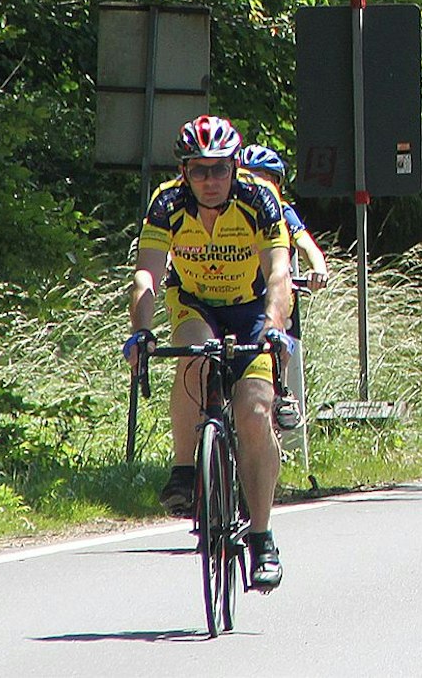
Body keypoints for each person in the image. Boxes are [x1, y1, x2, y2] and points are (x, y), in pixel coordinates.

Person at [125, 116, 295, 591]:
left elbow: (279, 273)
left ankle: (261, 537)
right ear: (184, 172)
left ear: (234, 167)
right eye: (199, 170)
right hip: (194, 302)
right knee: (194, 355)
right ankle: (185, 470)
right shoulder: (167, 204)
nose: (210, 180)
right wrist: (141, 331)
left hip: (251, 308)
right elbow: (147, 275)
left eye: (219, 169)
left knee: (255, 412)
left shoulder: (259, 199)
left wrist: (275, 328)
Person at [238, 144, 328, 429]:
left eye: (264, 179)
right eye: (248, 177)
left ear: (277, 185)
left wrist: (319, 269)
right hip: (235, 291)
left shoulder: (282, 212)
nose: (256, 186)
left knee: (277, 339)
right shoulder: (229, 210)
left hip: (272, 291)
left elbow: (305, 244)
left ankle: (280, 392)